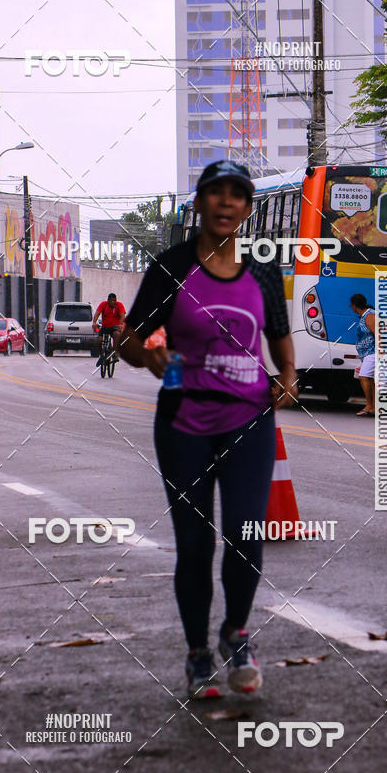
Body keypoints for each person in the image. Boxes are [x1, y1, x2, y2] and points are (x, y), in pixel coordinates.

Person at [118, 160, 297, 699]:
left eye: (236, 196)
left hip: (248, 423)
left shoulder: (263, 273)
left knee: (246, 536)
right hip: (184, 423)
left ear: (247, 208)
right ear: (198, 203)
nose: (225, 204)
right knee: (194, 544)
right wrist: (149, 359)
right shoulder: (171, 266)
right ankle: (198, 653)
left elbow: (282, 344)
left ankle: (236, 634)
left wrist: (287, 379)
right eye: (215, 193)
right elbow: (128, 340)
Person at [350, 293, 376, 416]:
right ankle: (373, 407)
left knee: (364, 376)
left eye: (351, 305)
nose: (351, 307)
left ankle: (369, 406)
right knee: (369, 378)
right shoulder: (366, 315)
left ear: (355, 306)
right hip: (368, 352)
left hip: (373, 352)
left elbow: (378, 333)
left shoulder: (369, 315)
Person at [92, 293, 125, 364]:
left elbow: (122, 316)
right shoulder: (103, 304)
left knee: (116, 334)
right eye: (112, 301)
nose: (114, 302)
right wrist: (94, 322)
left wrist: (120, 325)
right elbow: (97, 313)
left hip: (115, 327)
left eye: (115, 300)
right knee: (99, 340)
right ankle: (101, 356)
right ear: (108, 300)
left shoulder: (119, 305)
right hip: (105, 327)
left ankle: (114, 352)